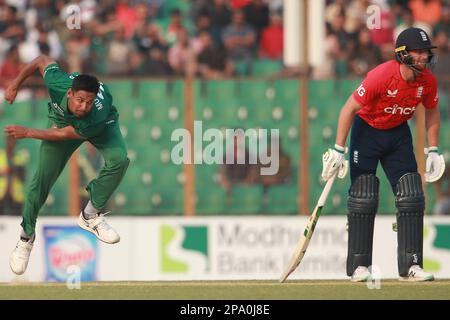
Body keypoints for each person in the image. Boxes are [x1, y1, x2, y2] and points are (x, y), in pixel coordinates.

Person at [321, 27, 445, 282]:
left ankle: (411, 266)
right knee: (364, 196)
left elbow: (432, 111)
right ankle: (359, 266)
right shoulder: (382, 76)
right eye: (418, 51)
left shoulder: (427, 81)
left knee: (411, 194)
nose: (423, 56)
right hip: (367, 133)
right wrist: (338, 149)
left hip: (398, 134)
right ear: (403, 54)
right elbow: (349, 108)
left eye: (425, 52)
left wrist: (432, 150)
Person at [4, 54, 130, 275]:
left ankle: (90, 215)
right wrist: (15, 84)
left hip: (101, 126)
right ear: (70, 93)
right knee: (40, 183)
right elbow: (41, 60)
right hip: (62, 121)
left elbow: (66, 134)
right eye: (80, 100)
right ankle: (26, 238)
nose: (83, 106)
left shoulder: (96, 113)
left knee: (120, 160)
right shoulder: (59, 83)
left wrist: (29, 132)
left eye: (89, 102)